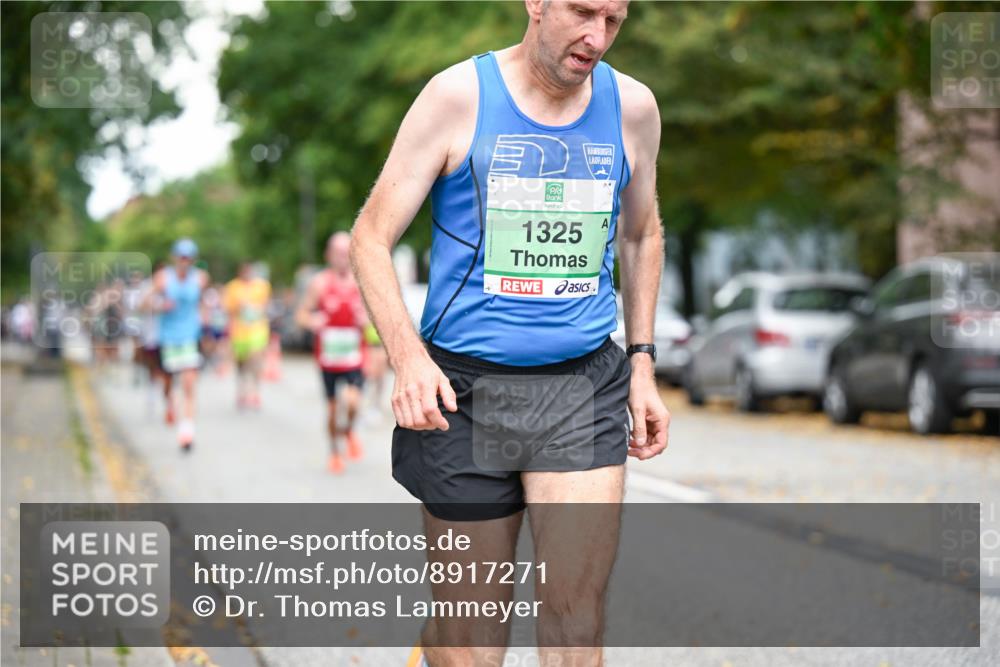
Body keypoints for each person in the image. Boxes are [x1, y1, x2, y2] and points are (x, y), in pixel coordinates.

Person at [350, 1, 669, 663]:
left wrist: (641, 361)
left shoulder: (633, 108)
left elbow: (641, 233)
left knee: (576, 621)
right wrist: (408, 359)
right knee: (471, 643)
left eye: (614, 20)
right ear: (536, 2)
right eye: (583, 12)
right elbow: (372, 237)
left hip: (580, 385)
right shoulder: (457, 97)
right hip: (462, 391)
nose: (596, 37)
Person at [296, 232, 368, 474]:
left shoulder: (361, 282)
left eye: (346, 252)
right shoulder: (319, 283)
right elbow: (301, 315)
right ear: (329, 255)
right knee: (331, 408)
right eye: (338, 253)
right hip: (328, 358)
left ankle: (348, 430)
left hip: (354, 356)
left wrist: (365, 319)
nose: (343, 258)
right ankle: (335, 452)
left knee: (353, 402)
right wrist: (313, 320)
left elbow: (374, 317)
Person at [148, 239, 209, 450]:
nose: (185, 261)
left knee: (189, 382)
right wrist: (160, 304)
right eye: (182, 257)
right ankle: (169, 405)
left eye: (189, 257)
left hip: (190, 336)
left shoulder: (200, 279)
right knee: (168, 383)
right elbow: (143, 303)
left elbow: (202, 303)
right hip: (168, 337)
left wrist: (205, 318)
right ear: (174, 257)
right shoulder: (163, 279)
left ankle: (187, 431)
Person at [223, 261, 272, 410]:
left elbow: (266, 306)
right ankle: (242, 391)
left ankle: (255, 391)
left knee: (256, 361)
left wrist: (256, 308)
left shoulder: (262, 286)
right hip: (239, 332)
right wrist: (240, 306)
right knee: (241, 365)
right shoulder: (233, 287)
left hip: (257, 331)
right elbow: (228, 309)